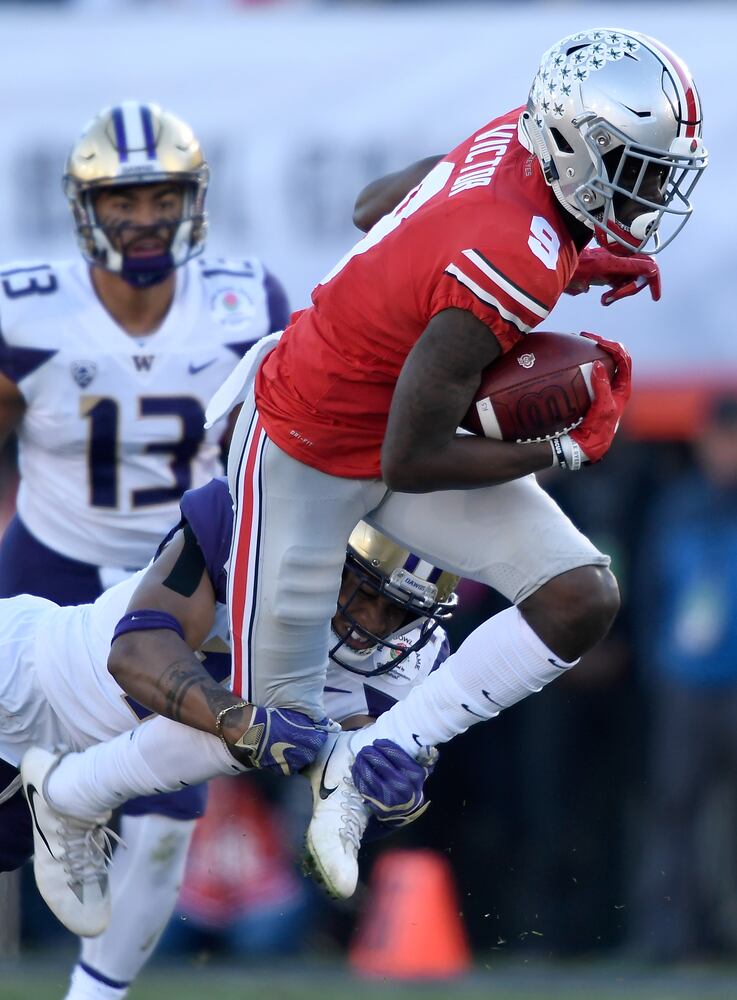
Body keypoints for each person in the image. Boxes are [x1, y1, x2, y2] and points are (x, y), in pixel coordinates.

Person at [211, 28, 708, 899]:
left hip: (387, 428)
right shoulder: (514, 256)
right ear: (577, 148)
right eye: (636, 166)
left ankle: (384, 751)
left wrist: (579, 255)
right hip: (304, 444)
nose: (655, 190)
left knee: (578, 595)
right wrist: (560, 447)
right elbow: (410, 454)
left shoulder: (515, 139)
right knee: (273, 728)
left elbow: (374, 206)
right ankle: (76, 783)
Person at [0, 101, 289, 1000]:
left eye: (162, 195)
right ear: (86, 206)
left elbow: (273, 444)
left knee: (167, 818)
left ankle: (96, 998)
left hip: (178, 582)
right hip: (49, 563)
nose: (143, 217)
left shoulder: (246, 303)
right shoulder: (28, 311)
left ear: (192, 200)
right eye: (122, 199)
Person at [8, 477, 456, 947]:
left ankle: (74, 794)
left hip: (83, 758)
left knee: (298, 736)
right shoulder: (251, 529)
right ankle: (73, 795)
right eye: (365, 592)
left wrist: (380, 792)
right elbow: (135, 653)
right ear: (331, 555)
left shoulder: (414, 658)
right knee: (259, 727)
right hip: (22, 683)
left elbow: (351, 765)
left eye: (399, 611)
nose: (373, 625)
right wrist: (246, 724)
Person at [628, 395, 737, 961]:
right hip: (685, 684)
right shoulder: (678, 505)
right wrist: (656, 667)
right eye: (722, 439)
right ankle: (667, 935)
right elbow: (648, 593)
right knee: (674, 809)